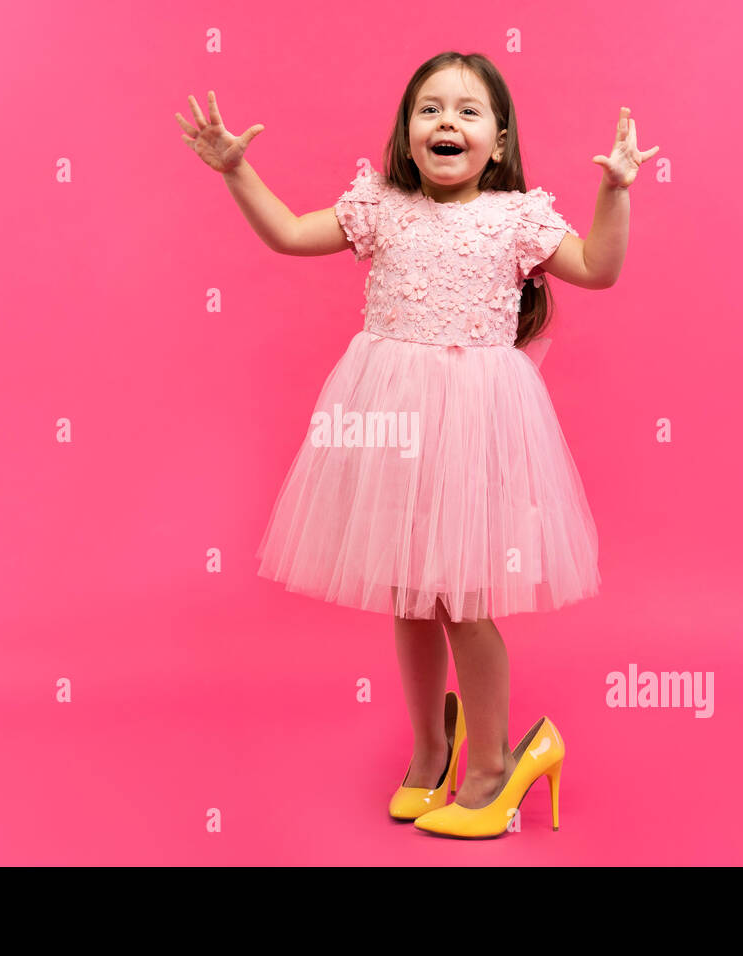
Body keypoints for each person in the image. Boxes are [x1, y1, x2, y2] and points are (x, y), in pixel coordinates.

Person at [175, 51, 657, 839]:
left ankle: (500, 762)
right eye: (430, 109)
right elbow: (293, 234)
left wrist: (615, 192)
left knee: (463, 596)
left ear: (498, 142)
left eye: (469, 113)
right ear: (406, 132)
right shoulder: (383, 205)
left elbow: (599, 268)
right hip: (390, 416)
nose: (447, 123)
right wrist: (236, 172)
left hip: (476, 419)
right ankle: (433, 747)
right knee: (407, 592)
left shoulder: (517, 217)